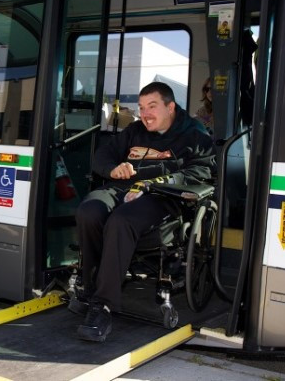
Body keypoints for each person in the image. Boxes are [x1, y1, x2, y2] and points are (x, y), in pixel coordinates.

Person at [72, 81, 215, 343]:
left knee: (121, 220)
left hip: (163, 195)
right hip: (123, 186)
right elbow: (103, 156)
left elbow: (201, 172)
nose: (145, 114)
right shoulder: (135, 130)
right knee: (89, 211)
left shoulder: (194, 134)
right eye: (141, 107)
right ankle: (89, 286)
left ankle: (102, 306)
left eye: (152, 106)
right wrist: (113, 169)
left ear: (170, 107)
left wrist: (154, 183)